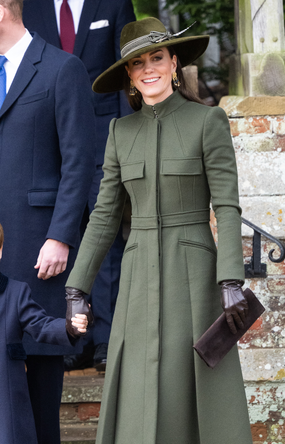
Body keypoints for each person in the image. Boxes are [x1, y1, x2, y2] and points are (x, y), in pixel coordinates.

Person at [66, 17, 253, 444]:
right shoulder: (119, 131)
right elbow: (105, 215)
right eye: (138, 63)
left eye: (157, 58)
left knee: (189, 384)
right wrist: (77, 288)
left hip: (194, 273)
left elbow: (226, 206)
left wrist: (230, 279)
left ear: (173, 64)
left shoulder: (208, 122)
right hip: (137, 275)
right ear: (130, 76)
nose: (148, 69)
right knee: (138, 381)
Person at [22, 0, 136, 371]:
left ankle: (104, 339)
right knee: (59, 235)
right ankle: (72, 336)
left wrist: (129, 140)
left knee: (105, 238)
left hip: (106, 140)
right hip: (49, 143)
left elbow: (127, 69)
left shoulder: (114, 3)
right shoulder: (30, 6)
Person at [0, 1, 95, 443]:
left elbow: (78, 163)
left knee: (39, 390)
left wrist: (60, 236)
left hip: (37, 249)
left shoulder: (62, 68)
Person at [0, 223, 90, 444]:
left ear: (1, 251)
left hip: (5, 400)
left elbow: (40, 324)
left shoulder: (15, 292)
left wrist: (69, 327)